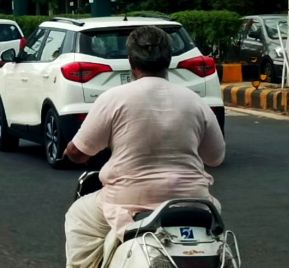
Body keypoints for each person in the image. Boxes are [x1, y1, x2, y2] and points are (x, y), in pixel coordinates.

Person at [62, 26, 225, 268]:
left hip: (128, 201)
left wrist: (71, 153)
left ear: (131, 61)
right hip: (194, 201)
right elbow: (215, 157)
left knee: (78, 214)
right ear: (168, 59)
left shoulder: (113, 98)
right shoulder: (194, 101)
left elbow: (78, 152)